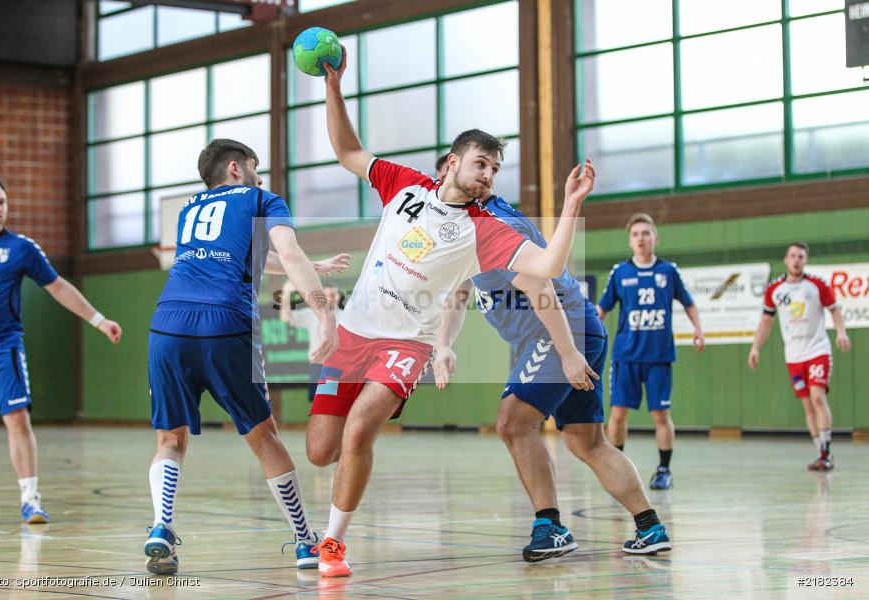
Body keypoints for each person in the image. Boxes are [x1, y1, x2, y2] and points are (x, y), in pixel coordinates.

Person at [303, 46, 597, 578]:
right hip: (354, 334)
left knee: (359, 431)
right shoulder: (403, 185)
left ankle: (332, 545)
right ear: (452, 163)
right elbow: (348, 150)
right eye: (481, 164)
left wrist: (571, 206)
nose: (488, 175)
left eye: (496, 169)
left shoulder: (485, 229)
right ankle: (337, 506)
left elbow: (548, 266)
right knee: (321, 451)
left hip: (405, 344)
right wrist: (333, 87)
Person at [432, 157, 671, 561]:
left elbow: (540, 286)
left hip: (559, 330)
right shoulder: (461, 233)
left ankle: (550, 526)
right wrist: (443, 345)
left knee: (512, 422)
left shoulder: (494, 225)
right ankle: (650, 527)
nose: (482, 176)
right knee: (586, 442)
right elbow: (458, 293)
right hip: (576, 330)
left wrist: (568, 353)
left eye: (488, 169)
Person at [143, 139, 339, 575]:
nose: (259, 176)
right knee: (264, 436)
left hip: (168, 325)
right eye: (255, 166)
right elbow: (288, 253)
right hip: (226, 323)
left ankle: (161, 525)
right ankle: (304, 541)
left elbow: (249, 257)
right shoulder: (263, 200)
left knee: (169, 439)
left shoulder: (188, 209)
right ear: (236, 168)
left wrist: (312, 265)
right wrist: (324, 315)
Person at [0, 177, 122, 523]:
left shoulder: (21, 248)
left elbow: (59, 287)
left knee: (17, 419)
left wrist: (99, 320)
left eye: (2, 202)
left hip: (1, 349)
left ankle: (30, 499)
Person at [597, 213, 705, 490]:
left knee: (660, 415)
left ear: (656, 238)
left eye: (646, 233)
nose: (641, 238)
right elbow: (602, 309)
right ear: (630, 241)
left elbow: (688, 303)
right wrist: (588, 336)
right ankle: (617, 469)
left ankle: (664, 470)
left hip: (659, 356)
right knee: (618, 414)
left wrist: (698, 329)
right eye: (636, 234)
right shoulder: (620, 272)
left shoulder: (668, 271)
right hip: (626, 356)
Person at [748, 241, 850, 471]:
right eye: (793, 256)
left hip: (817, 350)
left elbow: (834, 310)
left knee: (817, 397)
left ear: (806, 260)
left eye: (801, 257)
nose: (796, 260)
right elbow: (766, 321)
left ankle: (825, 454)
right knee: (807, 405)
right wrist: (755, 347)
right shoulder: (775, 289)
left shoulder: (816, 285)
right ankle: (821, 453)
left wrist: (841, 333)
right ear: (786, 260)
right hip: (794, 356)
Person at [280, 279, 345, 402]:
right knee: (317, 402)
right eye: (328, 295)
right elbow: (286, 318)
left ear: (339, 296)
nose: (331, 298)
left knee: (336, 402)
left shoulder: (346, 316)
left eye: (334, 295)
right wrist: (286, 293)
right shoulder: (311, 314)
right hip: (317, 365)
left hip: (339, 366)